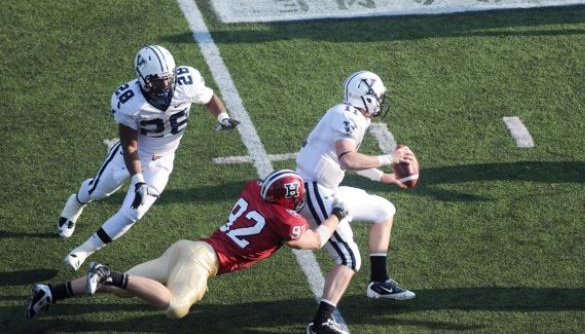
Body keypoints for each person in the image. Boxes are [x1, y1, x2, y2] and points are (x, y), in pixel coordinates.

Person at [27, 170, 348, 321]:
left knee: (129, 287)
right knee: (176, 306)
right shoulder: (284, 221)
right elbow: (316, 240)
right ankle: (110, 274)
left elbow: (271, 201)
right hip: (203, 263)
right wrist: (336, 215)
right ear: (288, 201)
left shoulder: (253, 189)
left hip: (187, 249)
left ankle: (52, 292)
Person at [57, 45, 240, 271]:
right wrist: (137, 179)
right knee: (98, 190)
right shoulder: (130, 100)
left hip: (163, 159)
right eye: (157, 80)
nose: (164, 85)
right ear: (141, 77)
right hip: (132, 155)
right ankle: (75, 203)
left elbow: (209, 97)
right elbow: (130, 143)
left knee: (134, 212)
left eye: (167, 78)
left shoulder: (187, 82)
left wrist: (222, 117)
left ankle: (83, 250)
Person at [296, 71, 416, 334]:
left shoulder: (352, 116)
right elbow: (347, 160)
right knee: (349, 259)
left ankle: (379, 282)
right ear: (366, 96)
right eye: (378, 96)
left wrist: (385, 178)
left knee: (385, 210)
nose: (381, 101)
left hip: (328, 187)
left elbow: (350, 159)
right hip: (313, 190)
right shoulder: (347, 116)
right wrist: (390, 158)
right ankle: (320, 323)